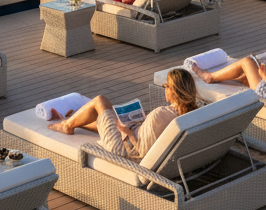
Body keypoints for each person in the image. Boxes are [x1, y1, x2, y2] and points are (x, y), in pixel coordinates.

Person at [48, 67, 199, 158]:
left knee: (101, 101)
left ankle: (66, 126)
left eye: (166, 86)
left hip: (123, 150)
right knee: (111, 115)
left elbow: (139, 151)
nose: (164, 89)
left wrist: (125, 131)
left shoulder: (162, 114)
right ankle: (74, 121)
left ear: (173, 91)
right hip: (142, 141)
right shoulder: (195, 112)